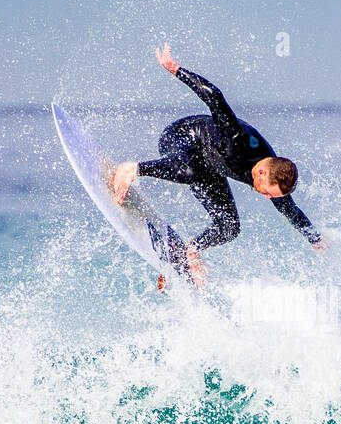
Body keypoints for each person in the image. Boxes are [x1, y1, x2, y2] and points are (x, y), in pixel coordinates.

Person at [112, 44, 326, 285]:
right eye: (267, 191)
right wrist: (175, 68)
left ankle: (191, 250)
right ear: (263, 171)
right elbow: (214, 97)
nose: (267, 196)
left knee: (229, 227)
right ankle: (134, 169)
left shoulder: (275, 178)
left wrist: (314, 238)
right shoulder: (237, 138)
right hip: (182, 137)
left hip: (208, 167)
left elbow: (291, 210)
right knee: (191, 170)